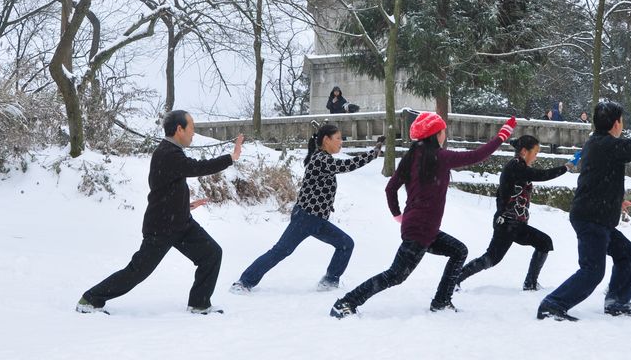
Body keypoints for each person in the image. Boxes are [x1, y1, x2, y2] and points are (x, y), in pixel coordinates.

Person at [329, 113, 517, 318]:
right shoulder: (440, 157)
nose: (445, 135)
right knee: (396, 275)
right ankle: (347, 302)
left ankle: (441, 301)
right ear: (435, 134)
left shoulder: (412, 157)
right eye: (443, 131)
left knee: (459, 251)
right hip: (421, 230)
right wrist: (501, 136)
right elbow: (476, 156)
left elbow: (390, 189)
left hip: (421, 227)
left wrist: (399, 216)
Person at [76, 110, 244, 315]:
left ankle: (200, 303)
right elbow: (197, 168)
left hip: (181, 223)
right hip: (162, 228)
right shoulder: (167, 154)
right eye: (192, 128)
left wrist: (186, 205)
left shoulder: (172, 153)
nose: (194, 134)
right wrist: (231, 157)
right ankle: (90, 299)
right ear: (179, 129)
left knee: (211, 253)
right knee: (137, 271)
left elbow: (165, 189)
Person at [536, 101, 631, 321]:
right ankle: (553, 304)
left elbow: (596, 178)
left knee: (627, 255)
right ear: (616, 123)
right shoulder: (607, 145)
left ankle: (617, 302)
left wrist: (615, 200)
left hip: (598, 216)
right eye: (622, 121)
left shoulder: (597, 144)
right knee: (592, 271)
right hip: (591, 218)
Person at [231, 124, 384, 293]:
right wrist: (372, 154)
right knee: (281, 251)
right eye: (338, 138)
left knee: (345, 244)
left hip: (316, 219)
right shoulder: (321, 159)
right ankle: (243, 282)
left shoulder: (323, 158)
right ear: (326, 139)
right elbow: (347, 165)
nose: (341, 142)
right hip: (306, 217)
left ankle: (329, 282)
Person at [457, 135, 581, 292]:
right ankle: (456, 278)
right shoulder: (515, 167)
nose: (535, 158)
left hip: (514, 223)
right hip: (508, 223)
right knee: (492, 258)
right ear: (524, 151)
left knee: (543, 243)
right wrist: (567, 167)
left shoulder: (518, 167)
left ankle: (530, 283)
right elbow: (541, 175)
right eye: (535, 153)